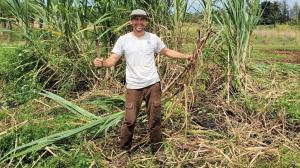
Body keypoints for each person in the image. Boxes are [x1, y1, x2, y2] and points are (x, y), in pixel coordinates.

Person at [94, 9, 192, 162]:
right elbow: (113, 59)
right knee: (130, 120)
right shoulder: (123, 40)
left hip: (153, 84)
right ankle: (124, 152)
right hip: (133, 87)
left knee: (155, 119)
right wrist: (102, 63)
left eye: (142, 19)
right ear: (131, 21)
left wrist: (187, 56)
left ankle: (158, 150)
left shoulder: (152, 38)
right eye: (136, 19)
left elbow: (166, 51)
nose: (139, 22)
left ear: (146, 22)